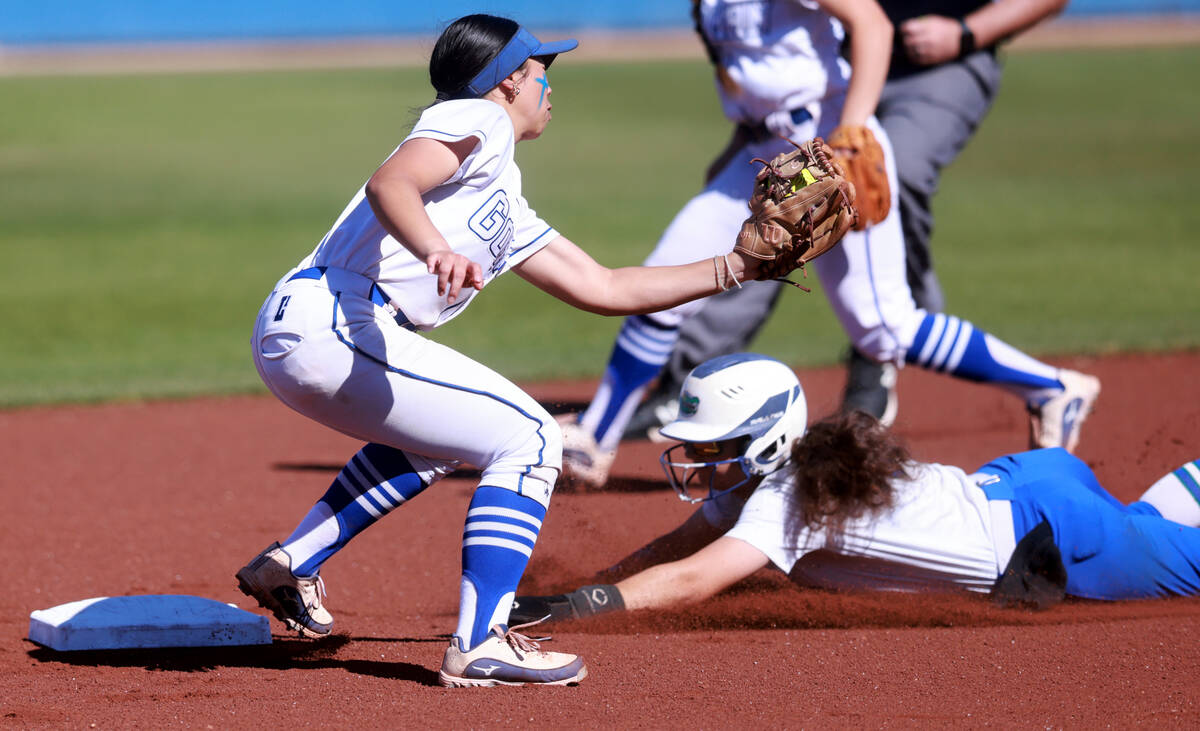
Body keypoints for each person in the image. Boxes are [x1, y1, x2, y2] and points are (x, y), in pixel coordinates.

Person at [232, 14, 792, 689]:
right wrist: (434, 249)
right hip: (338, 321)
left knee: (440, 440)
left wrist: (736, 266)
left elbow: (605, 285)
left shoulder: (503, 193)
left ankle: (293, 560)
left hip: (320, 330)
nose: (550, 87)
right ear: (505, 84)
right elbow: (392, 183)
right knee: (531, 435)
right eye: (540, 73)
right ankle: (480, 641)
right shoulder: (478, 118)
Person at [558, 0, 1097, 490]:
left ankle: (1052, 388)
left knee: (883, 326)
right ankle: (595, 440)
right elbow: (756, 79)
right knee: (661, 280)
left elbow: (871, 22)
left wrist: (853, 134)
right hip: (764, 156)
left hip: (828, 151)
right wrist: (733, 150)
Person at [512, 354, 1200, 625]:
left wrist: (568, 609)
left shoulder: (788, 500)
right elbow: (680, 543)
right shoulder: (781, 475)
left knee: (1168, 552)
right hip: (1022, 483)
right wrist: (594, 584)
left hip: (1054, 539)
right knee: (1147, 523)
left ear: (763, 436)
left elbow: (693, 578)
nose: (698, 457)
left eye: (712, 444)